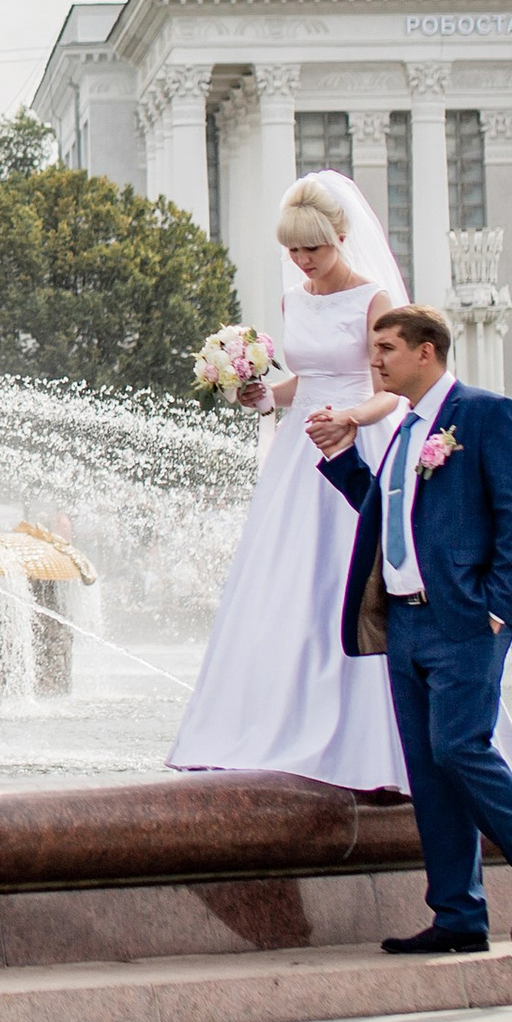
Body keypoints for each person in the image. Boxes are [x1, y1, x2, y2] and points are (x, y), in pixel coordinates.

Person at [168, 174, 410, 784]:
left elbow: (392, 394)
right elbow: (301, 382)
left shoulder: (375, 300)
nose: (303, 261)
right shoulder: (293, 299)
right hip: (299, 448)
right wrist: (258, 394)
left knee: (351, 576)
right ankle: (278, 715)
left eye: (314, 249)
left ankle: (371, 731)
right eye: (294, 251)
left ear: (342, 238)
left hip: (355, 440)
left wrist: (352, 419)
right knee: (286, 577)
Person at [315, 305, 512, 951]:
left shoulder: (486, 414)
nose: (373, 359)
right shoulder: (404, 431)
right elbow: (384, 516)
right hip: (404, 625)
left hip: (464, 618)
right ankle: (458, 918)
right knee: (430, 770)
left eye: (385, 348)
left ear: (425, 351)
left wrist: (499, 605)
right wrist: (344, 457)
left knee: (462, 747)